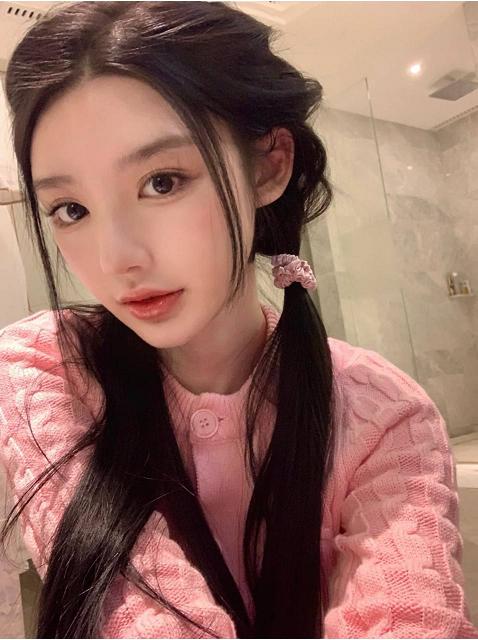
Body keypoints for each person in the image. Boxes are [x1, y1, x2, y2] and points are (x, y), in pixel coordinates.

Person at [0, 2, 476, 638]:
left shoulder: (384, 415)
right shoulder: (45, 370)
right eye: (70, 209)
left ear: (268, 165)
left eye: (162, 181)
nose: (116, 261)